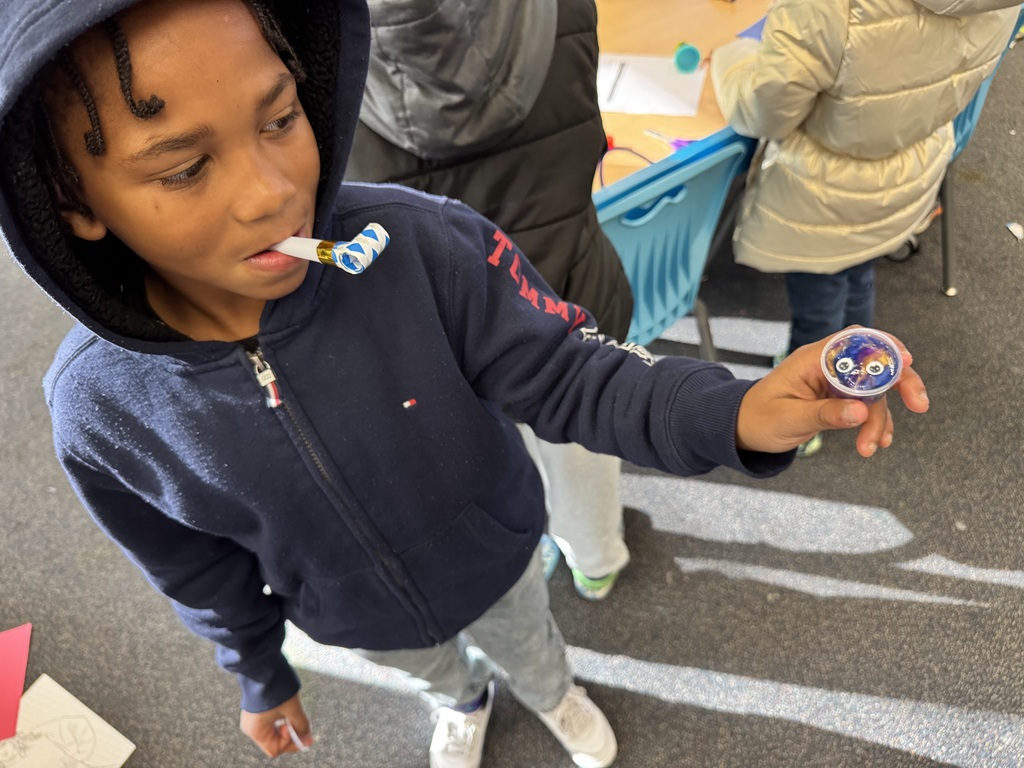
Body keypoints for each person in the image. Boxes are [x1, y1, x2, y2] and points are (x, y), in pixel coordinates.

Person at [0, 1, 929, 767]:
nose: (269, 193)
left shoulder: (422, 245)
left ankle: (552, 692)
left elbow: (575, 375)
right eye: (186, 167)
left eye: (280, 118)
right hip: (346, 612)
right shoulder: (96, 409)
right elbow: (193, 566)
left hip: (494, 556)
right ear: (69, 201)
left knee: (532, 642)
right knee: (435, 669)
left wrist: (734, 411)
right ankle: (464, 698)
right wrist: (259, 671)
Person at [345, 0, 632, 601]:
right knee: (582, 436)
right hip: (564, 291)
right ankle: (596, 558)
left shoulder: (310, 54)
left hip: (439, 333)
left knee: (483, 465)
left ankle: (529, 562)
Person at [710, 0, 1017, 456]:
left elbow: (765, 112)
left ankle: (811, 409)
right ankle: (861, 366)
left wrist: (729, 59)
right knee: (858, 270)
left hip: (825, 188)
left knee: (818, 300)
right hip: (908, 170)